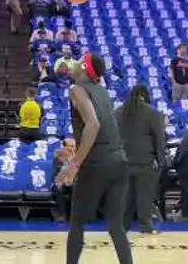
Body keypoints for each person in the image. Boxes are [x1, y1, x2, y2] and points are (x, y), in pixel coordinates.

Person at [55, 52, 133, 264]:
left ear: (84, 68)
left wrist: (74, 164)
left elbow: (94, 124)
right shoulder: (103, 91)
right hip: (120, 160)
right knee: (116, 227)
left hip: (97, 161)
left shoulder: (76, 89)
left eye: (79, 60)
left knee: (77, 224)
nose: (75, 62)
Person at [114, 85, 166, 235]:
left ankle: (121, 228)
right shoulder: (153, 112)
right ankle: (145, 227)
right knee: (144, 196)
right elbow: (159, 139)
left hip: (123, 160)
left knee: (126, 198)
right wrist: (160, 160)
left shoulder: (117, 112)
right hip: (145, 161)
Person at [53, 138, 76, 222]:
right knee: (59, 189)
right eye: (70, 146)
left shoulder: (78, 155)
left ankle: (76, 215)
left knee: (76, 188)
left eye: (74, 146)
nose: (73, 148)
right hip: (61, 180)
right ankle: (63, 215)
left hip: (74, 181)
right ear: (64, 147)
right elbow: (58, 170)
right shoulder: (58, 156)